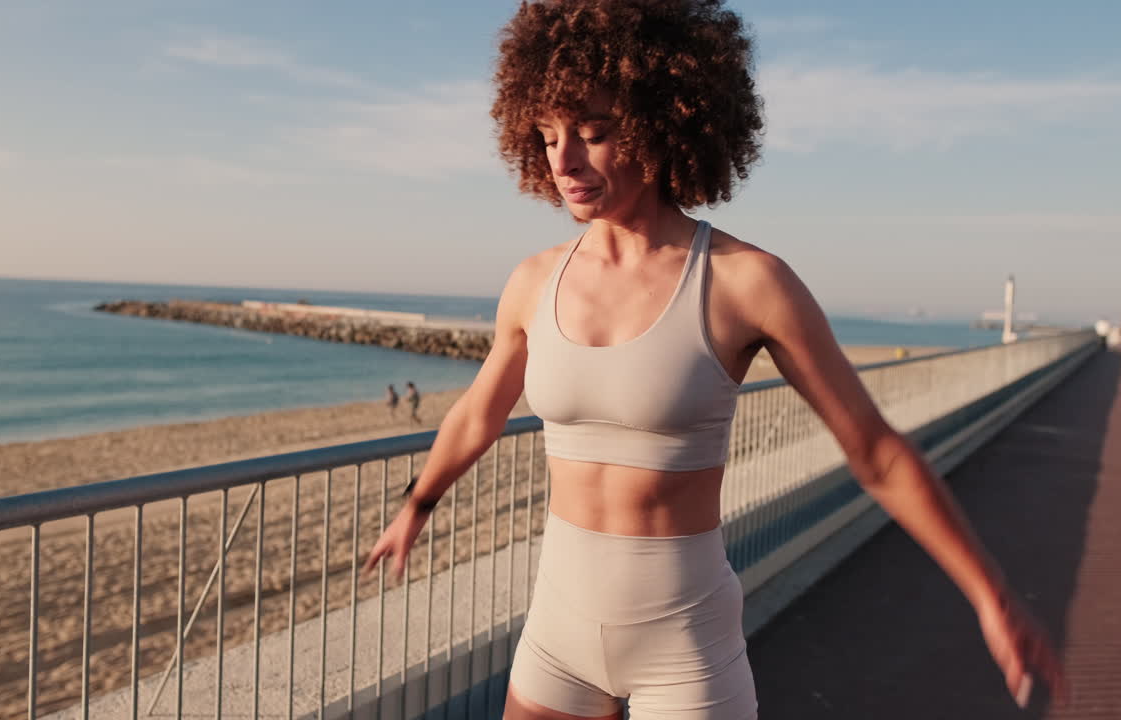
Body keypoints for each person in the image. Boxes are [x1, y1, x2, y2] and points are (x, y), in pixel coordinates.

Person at [365, 2, 1067, 717]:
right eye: (547, 137)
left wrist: (991, 595)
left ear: (664, 123)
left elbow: (876, 452)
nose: (564, 161)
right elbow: (480, 412)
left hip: (685, 654)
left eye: (594, 133)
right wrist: (416, 505)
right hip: (555, 639)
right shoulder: (533, 282)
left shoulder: (745, 282)